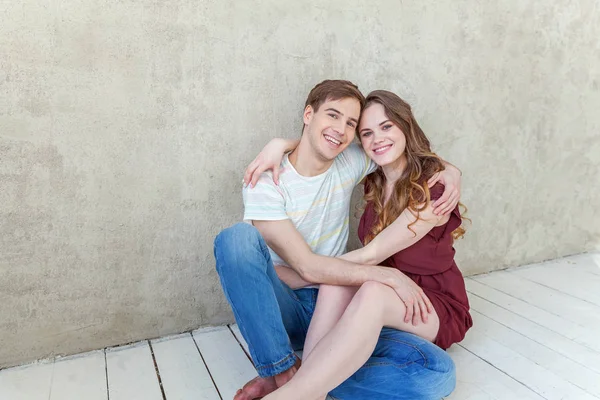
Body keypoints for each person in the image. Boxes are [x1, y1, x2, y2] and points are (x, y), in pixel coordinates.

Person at [213, 80, 462, 400]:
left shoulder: (352, 159)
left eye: (351, 124)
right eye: (332, 116)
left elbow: (407, 153)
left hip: (344, 300)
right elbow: (307, 268)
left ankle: (304, 378)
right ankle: (281, 372)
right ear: (308, 114)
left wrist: (451, 172)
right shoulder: (265, 181)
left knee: (434, 375)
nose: (341, 130)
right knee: (235, 240)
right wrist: (279, 144)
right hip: (285, 307)